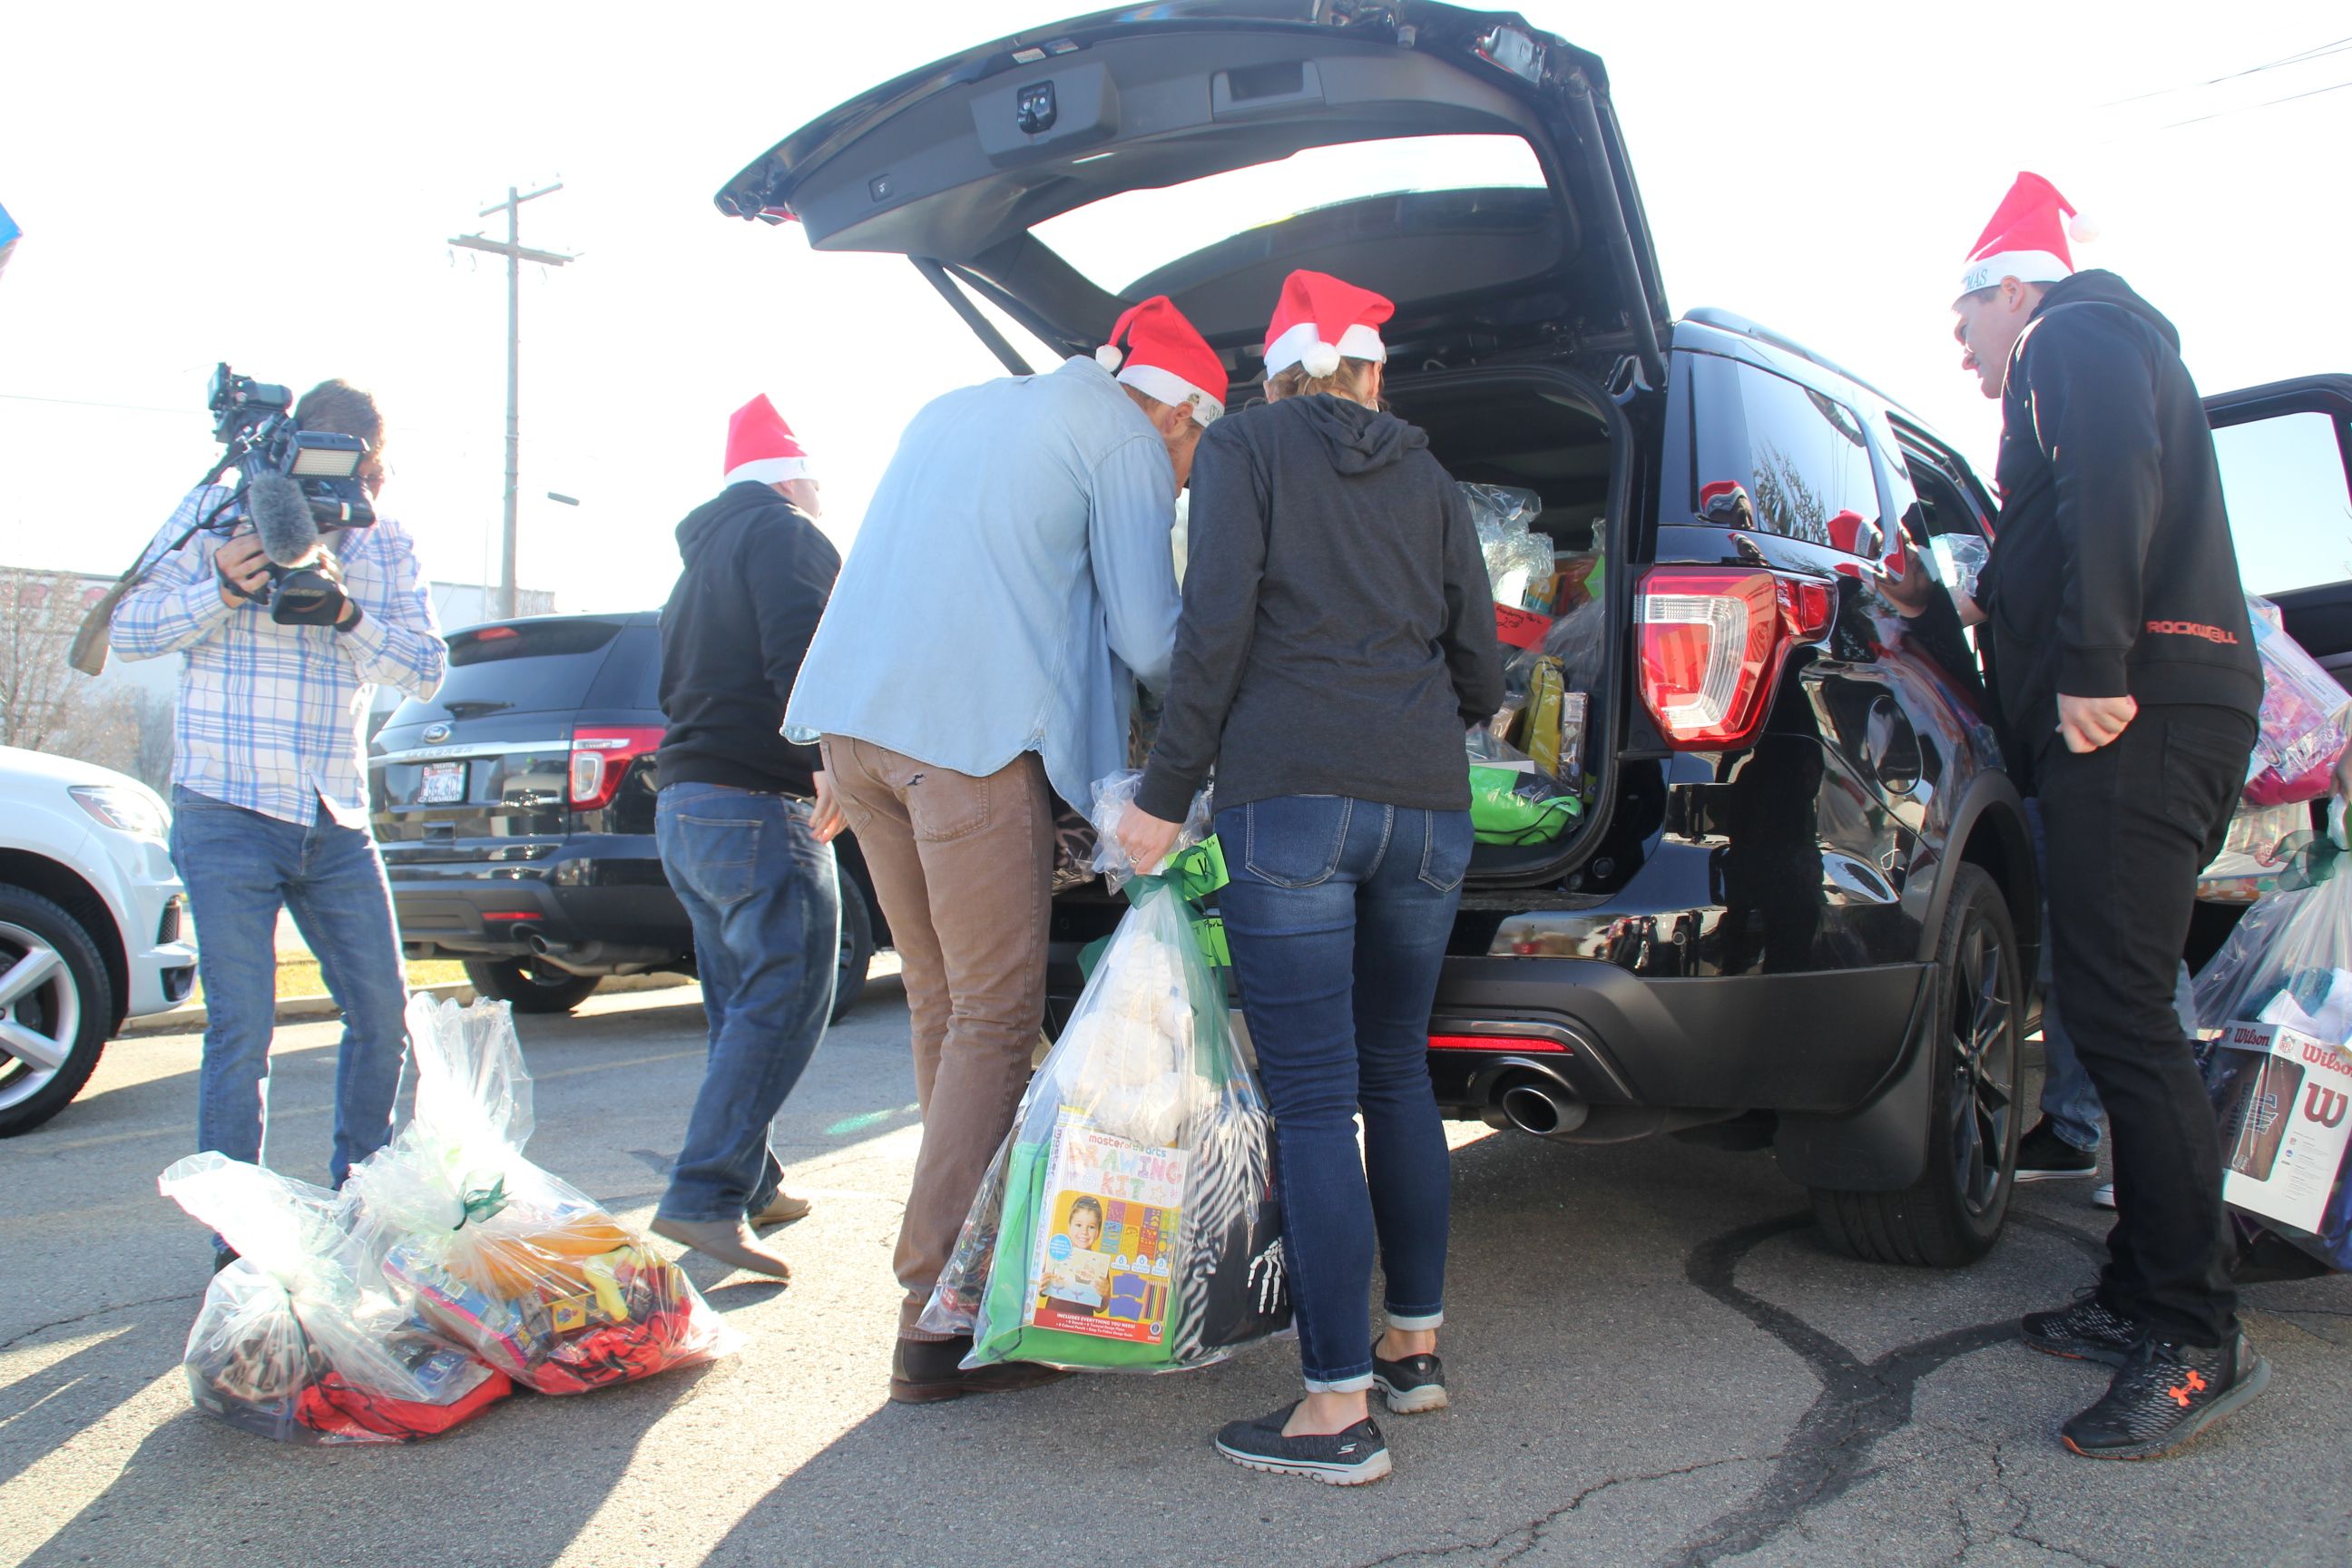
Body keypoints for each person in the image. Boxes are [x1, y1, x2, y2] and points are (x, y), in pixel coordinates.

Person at [784, 295, 1226, 1403]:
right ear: (1181, 415)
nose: (1183, 482)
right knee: (992, 1011)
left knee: (943, 1005)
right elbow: (1150, 637)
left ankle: (972, 1264)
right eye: (1196, 458)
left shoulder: (957, 408)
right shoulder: (1126, 434)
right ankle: (940, 1309)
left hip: (854, 734)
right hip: (966, 740)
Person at [1118, 270, 1504, 1485]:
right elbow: (1486, 675)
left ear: (1280, 371)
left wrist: (1161, 798)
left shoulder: (1245, 447)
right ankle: (1412, 1347)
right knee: (1396, 1075)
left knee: (1312, 1098)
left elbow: (1214, 629)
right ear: (1371, 371)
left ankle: (1335, 1413)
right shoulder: (1435, 481)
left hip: (1296, 807)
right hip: (1431, 813)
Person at [1949, 173, 2268, 1459]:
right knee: (2112, 999)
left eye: (1960, 314)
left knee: (2128, 1018)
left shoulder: (2068, 335)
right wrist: (2003, 614)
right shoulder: (2087, 346)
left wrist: (2091, 666)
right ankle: (2141, 1291)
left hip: (2136, 719)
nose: (1957, 343)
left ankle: (2196, 1336)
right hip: (2161, 711)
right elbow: (2079, 515)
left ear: (2008, 288)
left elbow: (2112, 489)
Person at [110, 380, 445, 1269]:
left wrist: (348, 614)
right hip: (225, 805)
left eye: (358, 462)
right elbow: (128, 630)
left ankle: (360, 1206)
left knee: (384, 1015)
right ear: (290, 445)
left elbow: (426, 667)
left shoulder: (386, 536)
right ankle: (238, 1244)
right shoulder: (217, 510)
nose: (337, 481)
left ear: (374, 463)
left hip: (335, 813)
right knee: (242, 1031)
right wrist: (219, 587)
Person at [644, 395, 843, 1281]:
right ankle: (706, 1193)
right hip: (760, 802)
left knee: (740, 1002)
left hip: (685, 807)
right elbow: (805, 654)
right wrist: (830, 755)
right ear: (793, 476)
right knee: (792, 986)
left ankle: (752, 1179)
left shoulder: (696, 568)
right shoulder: (788, 534)